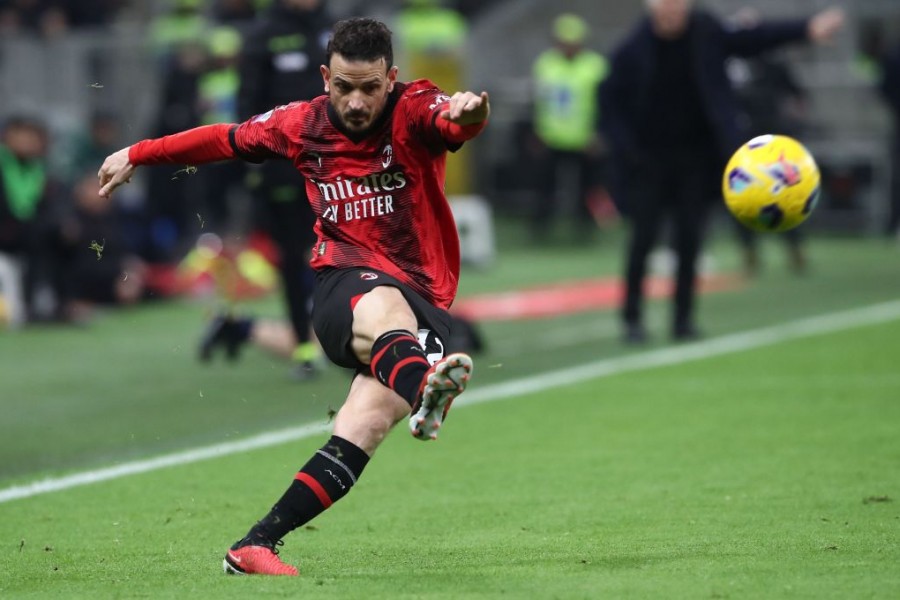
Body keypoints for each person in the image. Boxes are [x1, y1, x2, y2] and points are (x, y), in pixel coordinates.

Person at [98, 17, 489, 576]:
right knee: (384, 310)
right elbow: (222, 139)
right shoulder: (299, 124)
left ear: (391, 79)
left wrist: (471, 114)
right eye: (344, 86)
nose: (356, 102)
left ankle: (255, 545)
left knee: (368, 421)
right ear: (326, 76)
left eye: (370, 88)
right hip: (342, 286)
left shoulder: (415, 106)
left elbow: (457, 122)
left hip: (425, 297)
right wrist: (137, 152)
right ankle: (425, 385)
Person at [599, 0, 843, 343]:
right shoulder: (632, 49)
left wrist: (805, 29)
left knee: (690, 240)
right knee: (642, 240)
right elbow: (608, 101)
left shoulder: (706, 32)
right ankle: (632, 319)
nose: (670, 8)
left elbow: (756, 38)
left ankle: (682, 320)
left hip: (697, 159)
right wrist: (626, 149)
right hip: (649, 161)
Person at [201, 0, 336, 379]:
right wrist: (257, 163)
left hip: (338, 163)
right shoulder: (264, 35)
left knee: (349, 249)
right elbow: (249, 107)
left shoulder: (334, 28)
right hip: (285, 171)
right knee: (293, 259)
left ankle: (347, 334)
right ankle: (304, 346)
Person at [529, 13, 608, 243]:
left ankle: (585, 233)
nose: (568, 47)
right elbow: (539, 102)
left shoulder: (595, 66)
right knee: (544, 188)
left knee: (588, 188)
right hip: (551, 136)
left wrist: (598, 133)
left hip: (584, 139)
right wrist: (537, 131)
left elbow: (605, 104)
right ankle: (540, 233)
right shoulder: (546, 64)